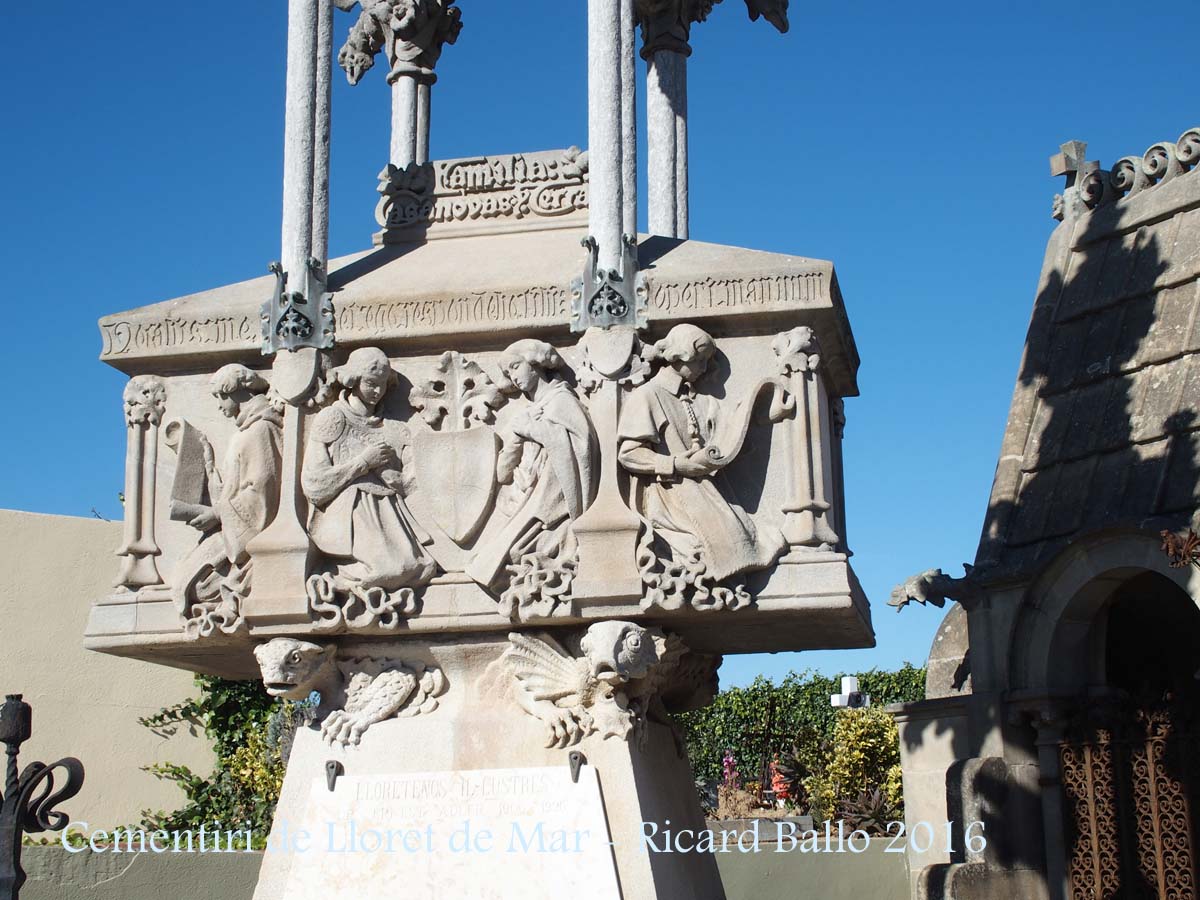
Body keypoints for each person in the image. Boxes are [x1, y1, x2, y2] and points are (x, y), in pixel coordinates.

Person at [618, 323, 785, 584]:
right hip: (669, 495)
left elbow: (727, 427)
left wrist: (763, 412)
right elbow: (629, 454)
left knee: (747, 538)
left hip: (701, 488)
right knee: (726, 544)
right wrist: (675, 465)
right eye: (700, 360)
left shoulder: (695, 398)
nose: (705, 368)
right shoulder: (647, 395)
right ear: (679, 356)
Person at [303, 347, 436, 594]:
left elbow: (413, 483)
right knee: (389, 569)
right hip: (351, 511)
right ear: (353, 380)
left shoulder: (395, 429)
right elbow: (314, 485)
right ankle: (336, 577)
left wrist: (395, 479)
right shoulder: (333, 418)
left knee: (419, 566)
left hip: (390, 512)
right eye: (371, 384)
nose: (377, 391)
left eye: (382, 385)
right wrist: (363, 463)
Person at [466, 339, 597, 589]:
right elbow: (503, 474)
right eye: (508, 373)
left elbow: (581, 448)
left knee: (512, 553)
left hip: (553, 506)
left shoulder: (561, 401)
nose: (513, 377)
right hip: (527, 500)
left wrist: (533, 429)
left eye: (515, 366)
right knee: (501, 556)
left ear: (535, 362)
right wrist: (517, 437)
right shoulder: (527, 414)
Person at [170, 364, 283, 625]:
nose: (219, 406)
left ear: (235, 392)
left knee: (199, 588)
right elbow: (235, 490)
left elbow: (260, 491)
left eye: (220, 398)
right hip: (234, 528)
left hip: (247, 535)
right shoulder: (247, 431)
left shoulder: (259, 430)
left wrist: (218, 513)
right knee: (187, 578)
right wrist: (209, 465)